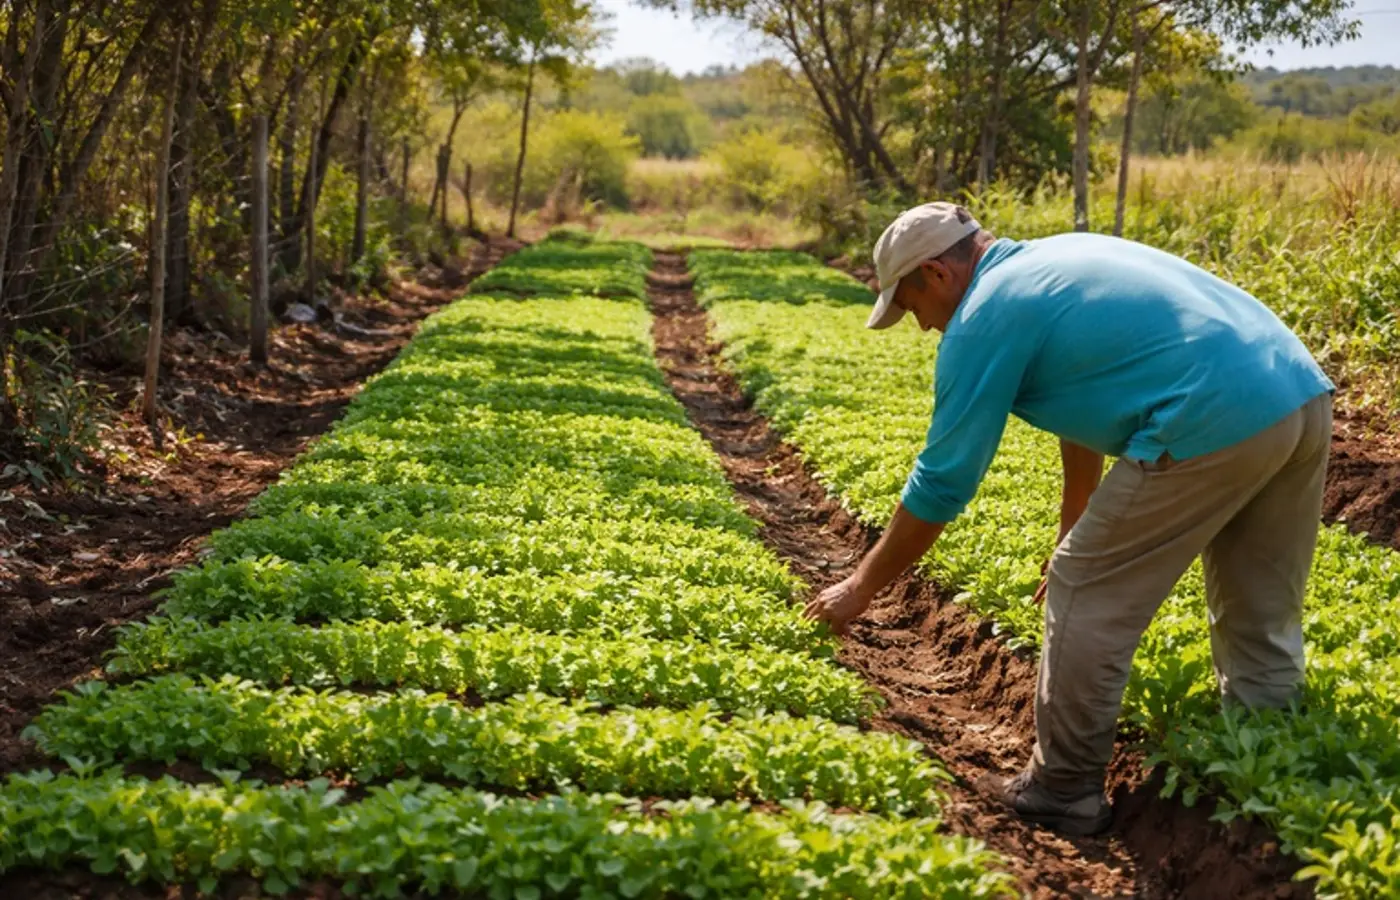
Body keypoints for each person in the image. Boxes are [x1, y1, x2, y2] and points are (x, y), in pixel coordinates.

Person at [803, 202, 1333, 836]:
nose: (921, 327)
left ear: (938, 274)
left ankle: (1064, 789)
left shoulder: (983, 316)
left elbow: (942, 482)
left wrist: (860, 588)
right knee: (1260, 602)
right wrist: (1072, 522)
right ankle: (1269, 776)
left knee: (1087, 589)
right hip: (1298, 395)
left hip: (1210, 411)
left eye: (912, 307)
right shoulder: (1054, 263)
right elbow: (1084, 396)